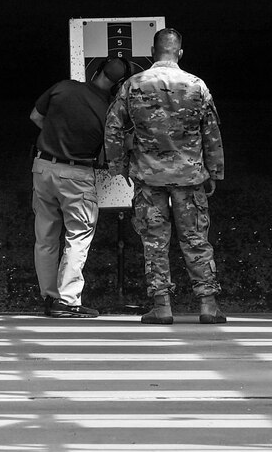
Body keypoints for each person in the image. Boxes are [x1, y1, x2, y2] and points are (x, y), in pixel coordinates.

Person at [103, 29, 226, 325]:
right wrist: (214, 171)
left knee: (155, 242)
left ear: (152, 50)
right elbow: (211, 132)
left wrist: (118, 165)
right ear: (179, 53)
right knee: (196, 240)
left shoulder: (133, 84)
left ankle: (162, 306)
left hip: (148, 178)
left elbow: (113, 127)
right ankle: (208, 305)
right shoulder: (197, 85)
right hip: (190, 177)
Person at [30, 55, 130, 318]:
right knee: (78, 235)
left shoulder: (62, 87)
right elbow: (110, 151)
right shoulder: (109, 110)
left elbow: (36, 117)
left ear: (96, 70)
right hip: (77, 172)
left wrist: (55, 138)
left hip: (43, 167)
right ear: (119, 85)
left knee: (45, 236)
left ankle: (50, 298)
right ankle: (67, 301)